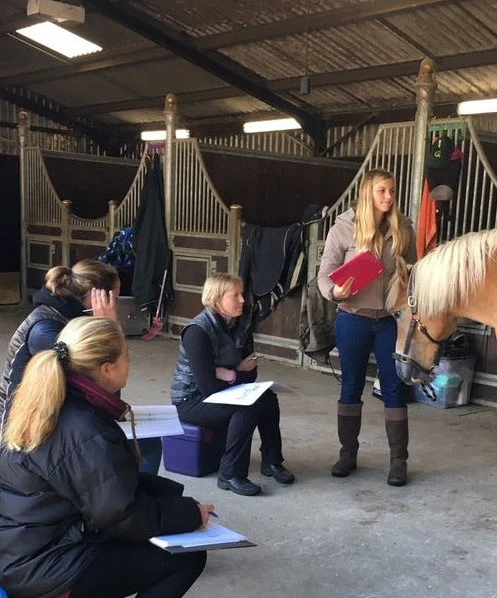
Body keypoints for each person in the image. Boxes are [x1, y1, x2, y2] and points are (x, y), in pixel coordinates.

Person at [0, 317, 210, 598]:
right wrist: (190, 516)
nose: (132, 362)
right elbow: (123, 516)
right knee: (188, 557)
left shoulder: (53, 400)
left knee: (145, 518)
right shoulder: (83, 427)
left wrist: (176, 499)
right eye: (128, 355)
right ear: (106, 368)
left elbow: (103, 487)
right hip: (45, 569)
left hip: (25, 548)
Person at [0, 260, 163, 474]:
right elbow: (104, 384)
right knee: (129, 448)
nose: (116, 306)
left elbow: (106, 391)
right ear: (95, 298)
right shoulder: (47, 331)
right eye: (113, 298)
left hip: (65, 415)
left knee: (146, 442)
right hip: (30, 428)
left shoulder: (72, 321)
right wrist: (109, 328)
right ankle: (129, 503)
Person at [317, 168, 416, 486]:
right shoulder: (344, 228)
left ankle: (398, 461)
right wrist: (335, 292)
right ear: (367, 193)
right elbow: (324, 274)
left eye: (392, 191)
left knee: (394, 388)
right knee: (351, 386)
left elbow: (414, 272)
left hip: (389, 320)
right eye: (382, 191)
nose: (388, 197)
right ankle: (348, 454)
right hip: (353, 316)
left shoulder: (403, 228)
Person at [171, 273, 294, 496]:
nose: (242, 300)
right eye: (234, 295)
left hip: (222, 390)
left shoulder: (241, 325)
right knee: (246, 407)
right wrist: (236, 373)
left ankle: (271, 461)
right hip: (192, 400)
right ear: (217, 299)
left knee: (267, 398)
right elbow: (207, 386)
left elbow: (252, 372)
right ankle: (230, 474)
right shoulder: (197, 331)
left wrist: (230, 374)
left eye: (241, 294)